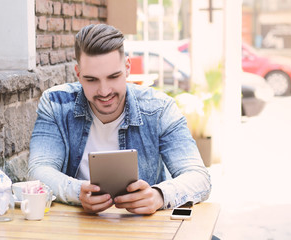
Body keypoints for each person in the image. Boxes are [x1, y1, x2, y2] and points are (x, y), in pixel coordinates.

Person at [28, 24, 211, 215]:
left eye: (113, 77)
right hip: (76, 228)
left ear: (127, 68)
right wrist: (78, 192)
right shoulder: (55, 104)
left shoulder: (160, 109)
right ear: (78, 74)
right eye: (91, 80)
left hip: (143, 229)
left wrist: (159, 196)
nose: (104, 91)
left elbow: (198, 176)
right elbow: (39, 171)